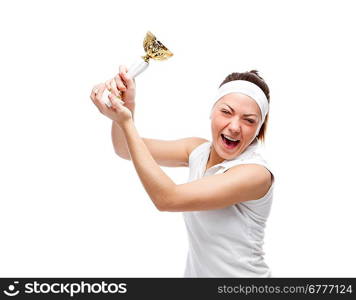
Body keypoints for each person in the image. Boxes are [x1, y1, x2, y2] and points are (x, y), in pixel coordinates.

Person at [90, 65, 275, 277]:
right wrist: (126, 107)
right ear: (211, 111)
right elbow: (124, 147)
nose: (234, 127)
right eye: (226, 112)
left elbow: (167, 199)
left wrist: (126, 121)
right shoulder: (197, 150)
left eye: (249, 120)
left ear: (259, 128)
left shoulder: (255, 174)